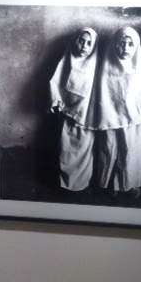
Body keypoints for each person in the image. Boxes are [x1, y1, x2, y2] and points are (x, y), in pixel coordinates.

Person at [95, 27, 141, 198]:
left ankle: (132, 182)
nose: (125, 48)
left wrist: (137, 114)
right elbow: (103, 94)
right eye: (122, 43)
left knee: (132, 148)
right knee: (110, 147)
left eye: (130, 44)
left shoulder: (139, 69)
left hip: (133, 118)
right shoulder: (106, 67)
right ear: (115, 44)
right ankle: (110, 182)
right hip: (110, 116)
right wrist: (110, 113)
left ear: (136, 46)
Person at [49, 27, 99, 191]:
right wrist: (58, 101)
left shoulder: (96, 65)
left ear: (94, 46)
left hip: (86, 115)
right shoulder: (67, 60)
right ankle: (64, 183)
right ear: (75, 41)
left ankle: (81, 184)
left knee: (83, 149)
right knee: (66, 148)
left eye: (89, 43)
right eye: (81, 41)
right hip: (67, 113)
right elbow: (56, 82)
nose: (84, 46)